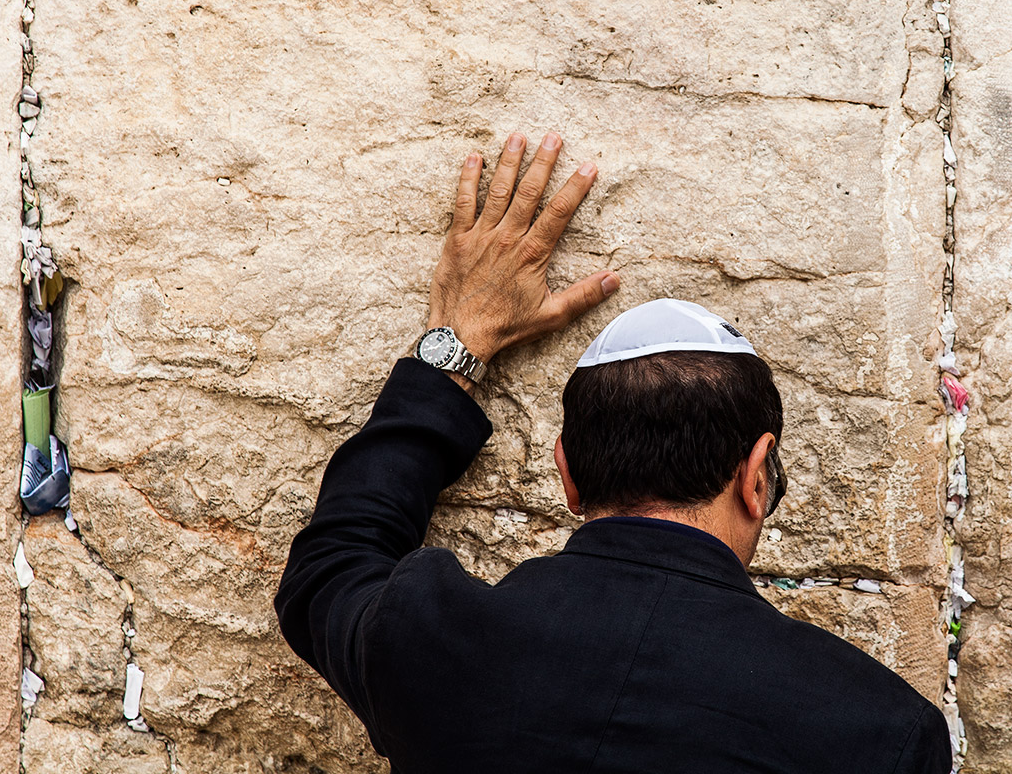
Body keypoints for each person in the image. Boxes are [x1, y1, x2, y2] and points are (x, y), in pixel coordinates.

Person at [275, 133, 953, 773]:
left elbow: (332, 563)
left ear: (567, 474)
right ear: (756, 478)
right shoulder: (877, 731)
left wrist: (455, 344)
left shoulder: (430, 639)